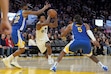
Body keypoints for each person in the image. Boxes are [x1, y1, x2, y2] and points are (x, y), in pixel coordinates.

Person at [2, 2, 51, 68]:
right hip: (17, 31)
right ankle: (7, 59)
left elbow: (12, 21)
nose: (28, 7)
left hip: (16, 30)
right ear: (24, 6)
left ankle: (14, 61)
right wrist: (45, 8)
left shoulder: (18, 13)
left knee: (22, 45)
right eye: (27, 6)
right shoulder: (24, 12)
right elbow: (37, 13)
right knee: (22, 49)